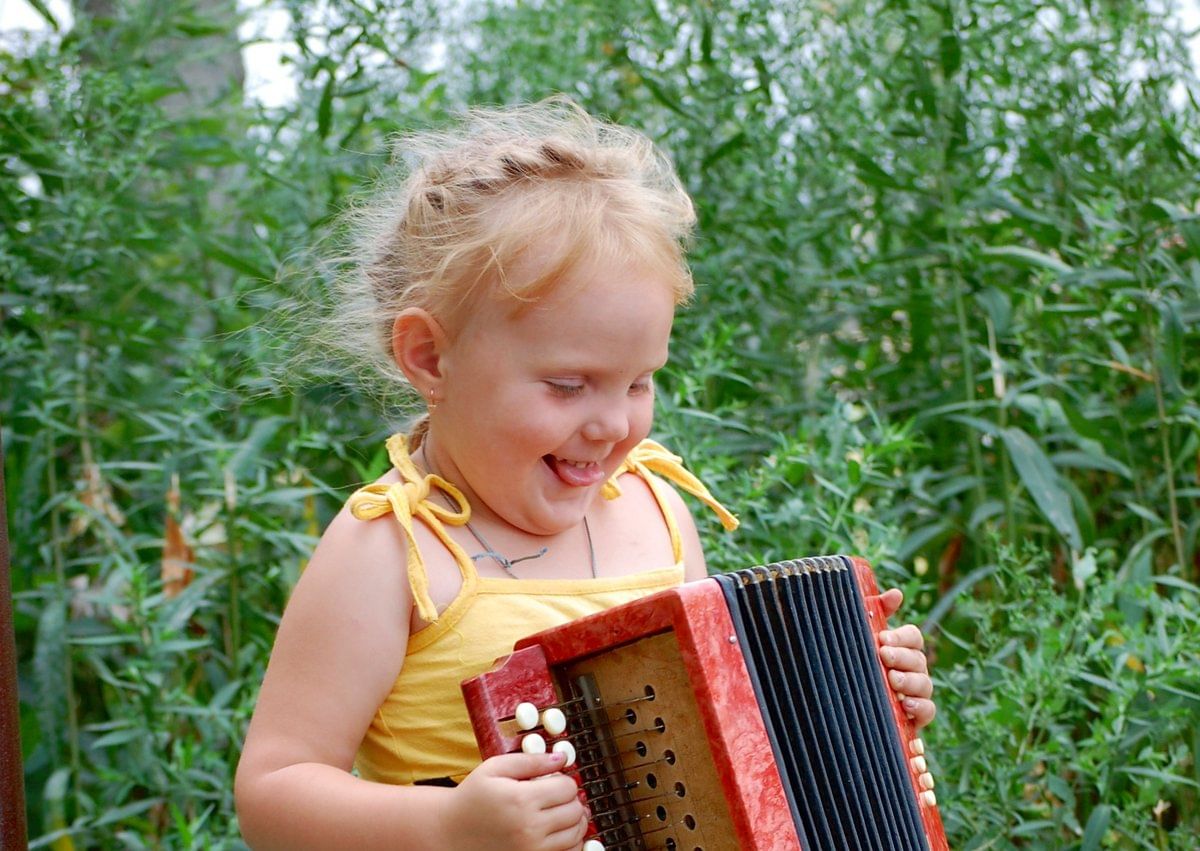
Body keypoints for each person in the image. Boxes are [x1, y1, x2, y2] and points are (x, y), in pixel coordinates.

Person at [234, 97, 936, 850]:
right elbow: (272, 792)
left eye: (639, 382)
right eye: (569, 385)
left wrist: (863, 700)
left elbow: (724, 745)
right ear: (431, 359)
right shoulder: (392, 551)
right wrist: (447, 825)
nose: (611, 425)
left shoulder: (656, 511)